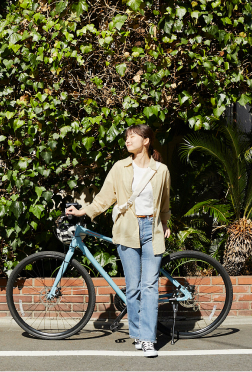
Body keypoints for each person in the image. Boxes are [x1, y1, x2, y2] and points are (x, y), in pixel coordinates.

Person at [66, 124, 171, 358]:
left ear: (146, 141)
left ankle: (147, 339)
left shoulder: (161, 170)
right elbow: (105, 197)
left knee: (150, 286)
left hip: (151, 229)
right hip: (127, 230)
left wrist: (165, 223)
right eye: (126, 137)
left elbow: (164, 202)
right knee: (132, 288)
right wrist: (84, 211)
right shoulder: (119, 168)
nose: (127, 140)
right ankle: (137, 333)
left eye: (133, 136)